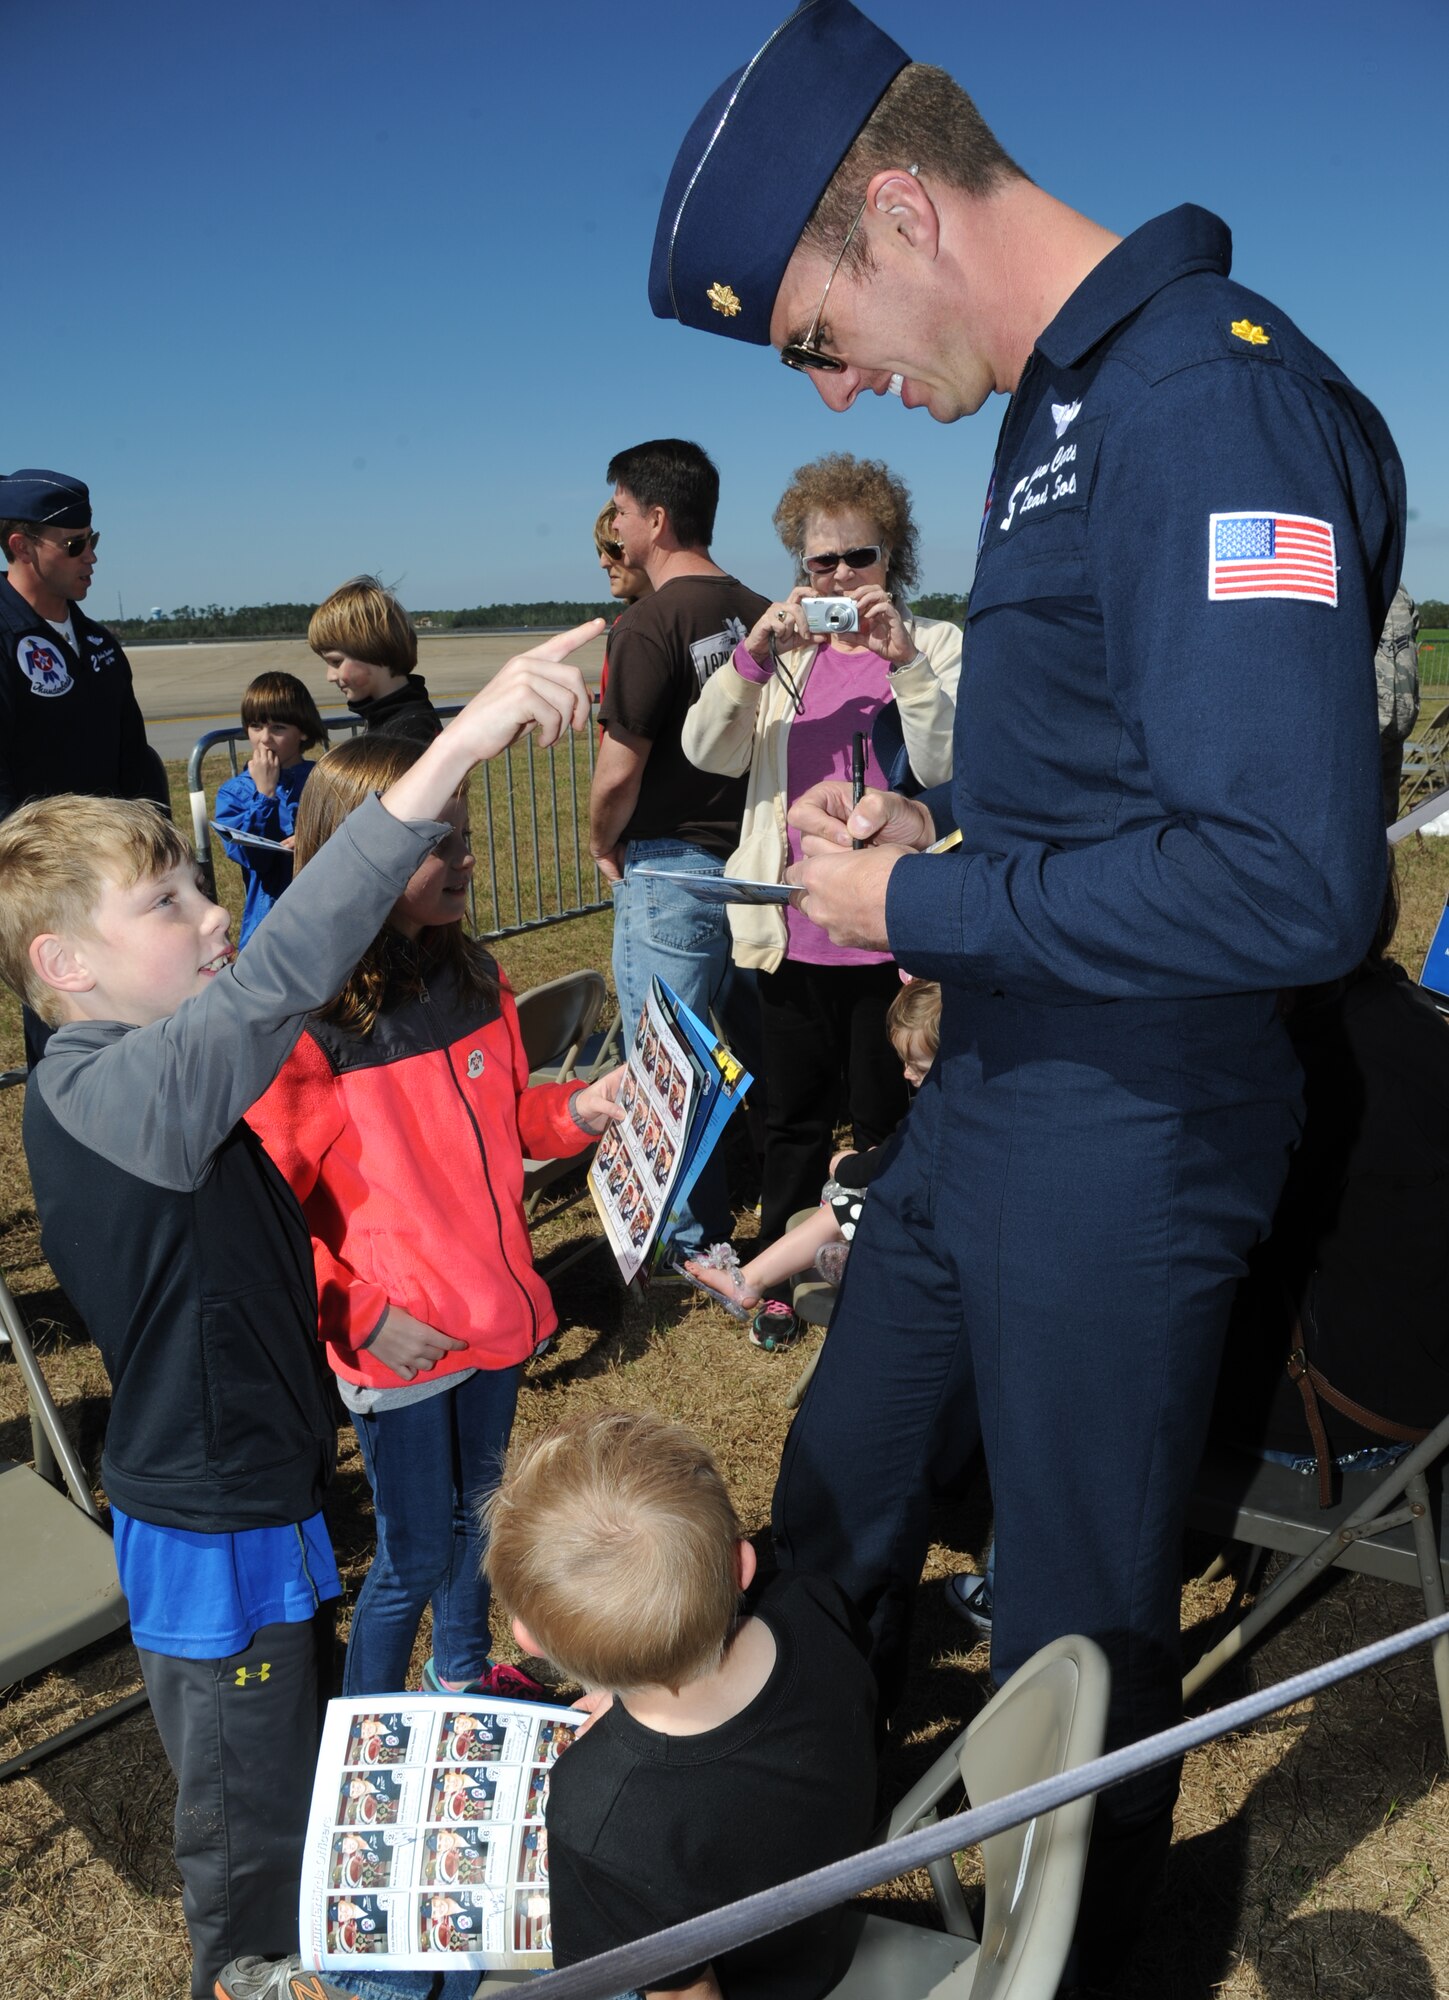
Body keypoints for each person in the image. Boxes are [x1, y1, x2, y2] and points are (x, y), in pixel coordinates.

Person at [649, 0, 1405, 1967]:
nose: (824, 395)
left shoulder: (1205, 398)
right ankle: (779, 1906)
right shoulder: (1056, 405)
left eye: (811, 335)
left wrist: (928, 905)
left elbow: (1287, 882)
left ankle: (1050, 1956)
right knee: (834, 1500)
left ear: (900, 213)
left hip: (1124, 1129)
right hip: (988, 1093)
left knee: (1070, 1631)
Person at [0, 623, 601, 2000]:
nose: (217, 917)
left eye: (202, 892)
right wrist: (454, 748)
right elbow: (283, 977)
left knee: (289, 1752)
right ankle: (250, 1971)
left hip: (264, 1486)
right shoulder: (110, 1093)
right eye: (169, 907)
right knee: (245, 1804)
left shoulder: (155, 1074)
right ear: (65, 963)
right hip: (208, 1523)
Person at [245, 733, 624, 1702]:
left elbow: (510, 1123)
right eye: (433, 842)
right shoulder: (308, 1027)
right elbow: (266, 1220)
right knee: (412, 1555)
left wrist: (576, 1110)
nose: (462, 858)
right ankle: (365, 1728)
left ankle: (457, 1675)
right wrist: (357, 1313)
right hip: (400, 1348)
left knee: (480, 1520)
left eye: (463, 835)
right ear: (355, 857)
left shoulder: (476, 978)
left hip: (492, 1323)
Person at [682, 453, 958, 1338]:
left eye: (859, 559)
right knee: (793, 1116)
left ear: (894, 560)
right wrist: (753, 661)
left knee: (885, 1113)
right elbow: (702, 752)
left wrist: (904, 662)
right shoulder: (781, 663)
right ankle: (772, 1282)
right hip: (792, 928)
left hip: (893, 926)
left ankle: (875, 1278)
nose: (840, 579)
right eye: (820, 566)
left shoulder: (941, 645)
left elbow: (954, 767)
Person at [482, 1408, 877, 2000]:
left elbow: (684, 1994)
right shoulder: (808, 1601)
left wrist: (614, 1752)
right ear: (742, 1565)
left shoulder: (596, 1813)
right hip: (825, 1898)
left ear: (528, 1639)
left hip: (763, 1979)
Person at [589, 439, 770, 1256]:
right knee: (737, 1043)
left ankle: (687, 1237)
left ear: (655, 519)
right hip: (754, 863)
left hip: (671, 868)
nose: (617, 529)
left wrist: (601, 841)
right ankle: (749, 1175)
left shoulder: (648, 624)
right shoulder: (756, 610)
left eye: (621, 512)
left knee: (666, 1059)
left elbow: (616, 772)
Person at [1215, 863, 1449, 1491]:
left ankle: (1021, 1577)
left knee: (1084, 1345)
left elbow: (1227, 1235)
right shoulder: (1411, 1016)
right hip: (1416, 1379)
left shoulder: (1313, 1060)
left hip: (1346, 1413)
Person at [0, 467, 167, 1065]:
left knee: (135, 1028)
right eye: (75, 544)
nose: (91, 555)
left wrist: (162, 851)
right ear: (21, 547)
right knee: (68, 1038)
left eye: (95, 540)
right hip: (48, 883)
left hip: (119, 876)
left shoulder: (99, 645)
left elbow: (136, 758)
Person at [681, 977, 940, 1336]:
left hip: (934, 1230)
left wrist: (844, 1165)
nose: (906, 1073)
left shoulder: (941, 1111)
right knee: (855, 1195)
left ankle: (753, 1280)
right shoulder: (960, 1101)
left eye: (919, 1067)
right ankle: (848, 1256)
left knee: (845, 1200)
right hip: (942, 1216)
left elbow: (886, 1161)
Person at [214, 672, 328, 945]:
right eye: (255, 726)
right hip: (270, 920)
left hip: (323, 918)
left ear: (302, 731)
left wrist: (316, 838)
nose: (264, 739)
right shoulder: (235, 792)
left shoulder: (325, 779)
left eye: (278, 728)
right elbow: (254, 859)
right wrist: (265, 794)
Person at [309, 575, 443, 744]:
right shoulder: (390, 719)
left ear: (373, 648)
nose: (330, 676)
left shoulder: (409, 734)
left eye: (336, 662)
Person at [593, 497, 654, 719]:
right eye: (599, 550)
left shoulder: (634, 630)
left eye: (614, 549)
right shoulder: (625, 627)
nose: (603, 562)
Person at [1376, 584, 1420, 822]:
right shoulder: (1356, 584)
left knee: (1386, 816)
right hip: (1371, 716)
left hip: (1397, 717)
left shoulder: (1397, 588)